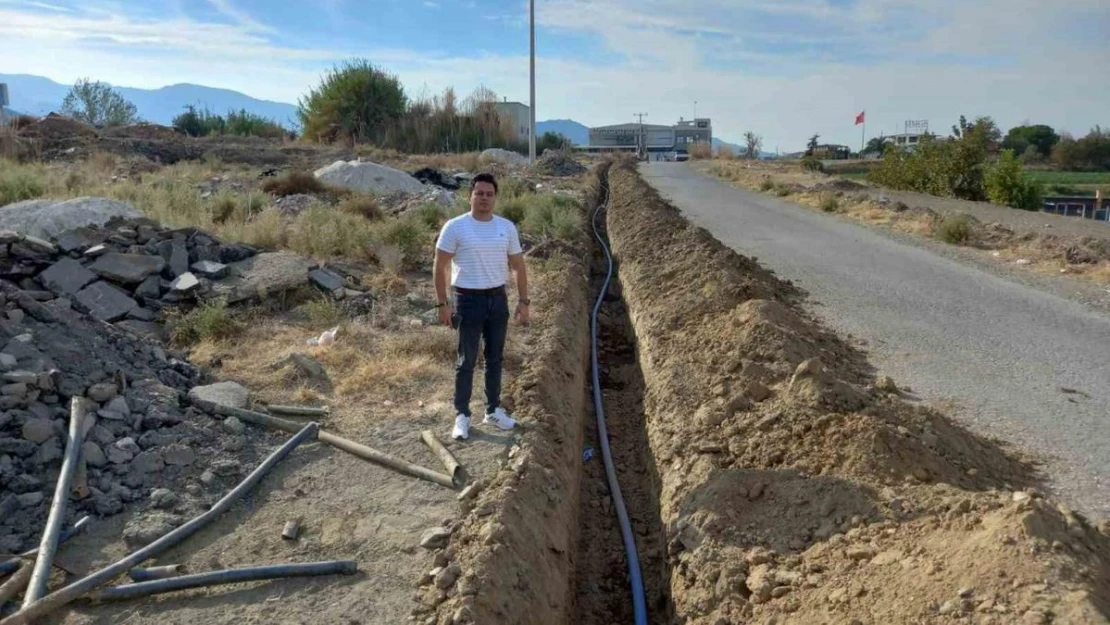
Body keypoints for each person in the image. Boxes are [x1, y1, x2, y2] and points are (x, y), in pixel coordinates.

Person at [433, 172, 530, 440]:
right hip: (467, 300)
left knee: (495, 358)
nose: (484, 198)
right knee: (466, 360)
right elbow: (439, 266)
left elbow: (518, 267)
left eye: (489, 194)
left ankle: (493, 410)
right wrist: (442, 304)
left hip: (497, 299)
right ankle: (462, 415)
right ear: (470, 196)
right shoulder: (455, 227)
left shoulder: (506, 227)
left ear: (495, 198)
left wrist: (524, 301)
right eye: (479, 193)